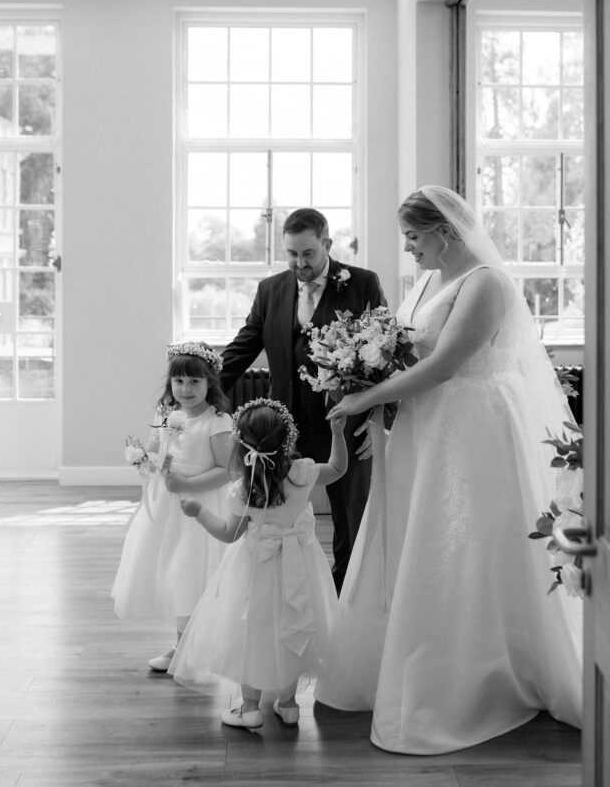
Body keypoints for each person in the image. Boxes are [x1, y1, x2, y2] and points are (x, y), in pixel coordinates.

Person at [314, 186, 583, 755]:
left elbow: (444, 364)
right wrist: (363, 375)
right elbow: (408, 350)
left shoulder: (486, 282)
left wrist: (366, 399)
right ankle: (412, 659)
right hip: (423, 427)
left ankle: (471, 675)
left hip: (472, 430)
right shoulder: (430, 280)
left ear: (446, 231)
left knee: (465, 545)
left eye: (415, 236)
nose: (409, 247)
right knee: (418, 539)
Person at [220, 207, 386, 593]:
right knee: (276, 514)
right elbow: (243, 348)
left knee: (350, 515)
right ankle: (284, 593)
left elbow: (384, 355)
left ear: (326, 244)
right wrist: (199, 386)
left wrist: (377, 417)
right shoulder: (270, 289)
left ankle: (347, 595)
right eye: (291, 254)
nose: (299, 263)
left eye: (308, 253)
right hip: (284, 430)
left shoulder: (362, 283)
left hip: (342, 423)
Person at [169, 398, 348, 731]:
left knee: (252, 632)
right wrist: (337, 433)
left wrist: (198, 512)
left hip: (256, 570)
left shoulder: (243, 490)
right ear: (288, 439)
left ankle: (250, 708)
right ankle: (289, 704)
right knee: (294, 626)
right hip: (300, 565)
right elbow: (337, 469)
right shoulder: (303, 472)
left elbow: (228, 533)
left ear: (240, 444)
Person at [111, 341, 233, 672]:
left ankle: (189, 649)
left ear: (210, 382)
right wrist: (144, 461)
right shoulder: (164, 413)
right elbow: (154, 449)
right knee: (170, 573)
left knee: (187, 573)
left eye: (195, 381)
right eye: (179, 381)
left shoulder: (217, 421)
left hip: (199, 506)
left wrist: (187, 484)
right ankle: (183, 647)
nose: (186, 388)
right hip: (166, 504)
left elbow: (227, 470)